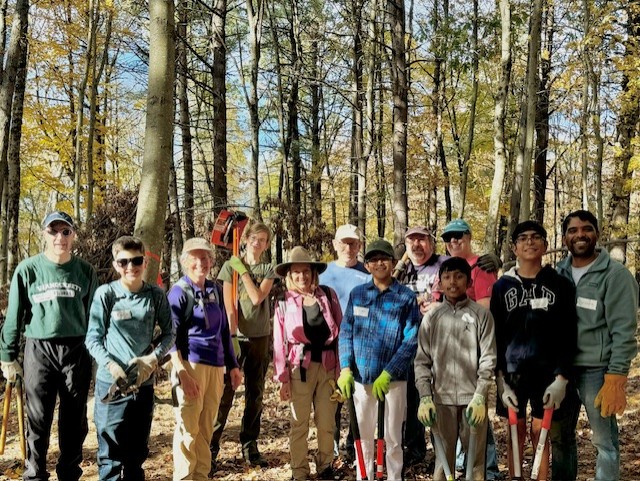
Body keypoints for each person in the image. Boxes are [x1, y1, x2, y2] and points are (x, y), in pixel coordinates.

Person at [0, 211, 98, 481]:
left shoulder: (85, 271)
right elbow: (14, 317)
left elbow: (95, 318)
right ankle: (35, 473)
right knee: (38, 418)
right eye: (53, 231)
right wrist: (8, 357)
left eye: (66, 232)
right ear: (44, 234)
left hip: (76, 351)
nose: (60, 238)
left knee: (74, 421)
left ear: (73, 235)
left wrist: (100, 354)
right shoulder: (28, 269)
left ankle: (69, 473)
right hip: (39, 350)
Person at [551, 210, 638, 481]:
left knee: (604, 443)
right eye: (573, 230)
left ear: (597, 235)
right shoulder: (558, 273)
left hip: (597, 371)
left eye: (586, 229)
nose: (580, 235)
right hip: (562, 372)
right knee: (560, 440)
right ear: (564, 237)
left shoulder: (615, 275)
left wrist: (616, 376)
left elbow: (624, 331)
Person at [490, 221, 577, 481]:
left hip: (547, 374)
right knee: (514, 432)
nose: (530, 242)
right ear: (514, 247)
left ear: (545, 245)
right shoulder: (502, 286)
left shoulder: (560, 284)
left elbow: (569, 333)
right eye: (523, 238)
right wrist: (500, 378)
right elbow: (495, 334)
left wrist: (562, 378)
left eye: (536, 237)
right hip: (512, 373)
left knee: (541, 433)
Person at [85, 235, 174, 481]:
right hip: (111, 386)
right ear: (116, 265)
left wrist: (153, 358)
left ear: (145, 262)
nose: (130, 267)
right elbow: (92, 338)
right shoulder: (106, 294)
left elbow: (170, 333)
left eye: (136, 261)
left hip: (142, 385)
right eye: (123, 262)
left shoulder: (155, 295)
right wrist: (111, 365)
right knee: (110, 458)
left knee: (136, 456)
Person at [338, 239, 421, 481]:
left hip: (393, 382)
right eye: (373, 259)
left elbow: (411, 339)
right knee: (363, 436)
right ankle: (365, 477)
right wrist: (345, 368)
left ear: (393, 263)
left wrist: (390, 372)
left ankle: (394, 477)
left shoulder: (405, 297)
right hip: (361, 380)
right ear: (368, 265)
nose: (378, 263)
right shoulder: (358, 295)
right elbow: (346, 332)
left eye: (383, 258)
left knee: (393, 439)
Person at [414, 257, 497, 481]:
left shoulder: (481, 315)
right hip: (441, 400)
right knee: (443, 464)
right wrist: (425, 397)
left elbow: (488, 358)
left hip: (473, 401)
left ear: (469, 281)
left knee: (476, 464)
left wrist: (480, 396)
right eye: (447, 277)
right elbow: (422, 361)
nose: (453, 282)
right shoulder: (432, 318)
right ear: (439, 283)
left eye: (459, 276)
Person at [168, 237, 242, 481]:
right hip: (191, 364)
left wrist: (233, 365)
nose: (201, 262)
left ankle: (201, 475)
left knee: (206, 428)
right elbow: (171, 339)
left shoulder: (215, 290)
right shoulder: (178, 293)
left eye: (205, 257)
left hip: (216, 366)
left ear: (211, 260)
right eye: (195, 257)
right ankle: (184, 477)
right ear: (185, 261)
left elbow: (224, 332)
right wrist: (182, 373)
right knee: (188, 428)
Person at [272, 246, 342, 481]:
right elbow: (278, 342)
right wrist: (282, 378)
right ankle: (299, 471)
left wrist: (342, 372)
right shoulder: (284, 301)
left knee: (326, 421)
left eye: (306, 271)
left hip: (328, 366)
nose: (301, 276)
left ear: (313, 273)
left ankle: (325, 466)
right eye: (296, 272)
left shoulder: (328, 295)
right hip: (298, 368)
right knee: (299, 422)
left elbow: (341, 334)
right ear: (289, 276)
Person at [210, 222, 277, 468]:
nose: (258, 243)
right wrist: (231, 336)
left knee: (255, 394)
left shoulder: (270, 269)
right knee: (225, 393)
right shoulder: (230, 267)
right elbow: (228, 305)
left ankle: (250, 445)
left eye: (263, 240)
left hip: (260, 337)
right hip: (236, 338)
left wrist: (246, 272)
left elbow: (258, 297)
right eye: (254, 238)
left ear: (267, 244)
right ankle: (211, 448)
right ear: (246, 239)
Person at [440, 219, 501, 479]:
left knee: (476, 418)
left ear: (469, 236)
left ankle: (487, 471)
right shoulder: (446, 267)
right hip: (448, 356)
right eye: (449, 237)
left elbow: (484, 310)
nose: (454, 241)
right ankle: (463, 468)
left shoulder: (482, 266)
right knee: (455, 421)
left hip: (475, 353)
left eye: (459, 236)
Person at [394, 226, 446, 468]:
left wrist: (492, 260)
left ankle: (442, 453)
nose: (416, 245)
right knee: (411, 400)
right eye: (411, 240)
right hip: (408, 344)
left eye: (422, 240)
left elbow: (469, 268)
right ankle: (414, 451)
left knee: (437, 398)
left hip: (439, 343)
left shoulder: (443, 263)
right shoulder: (401, 271)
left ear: (431, 243)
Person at [319, 223, 371, 460]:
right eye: (343, 242)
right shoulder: (323, 273)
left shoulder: (368, 274)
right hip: (330, 348)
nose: (348, 247)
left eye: (352, 243)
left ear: (359, 245)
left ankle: (354, 445)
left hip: (360, 346)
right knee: (331, 401)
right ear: (335, 244)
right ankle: (331, 446)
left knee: (357, 399)